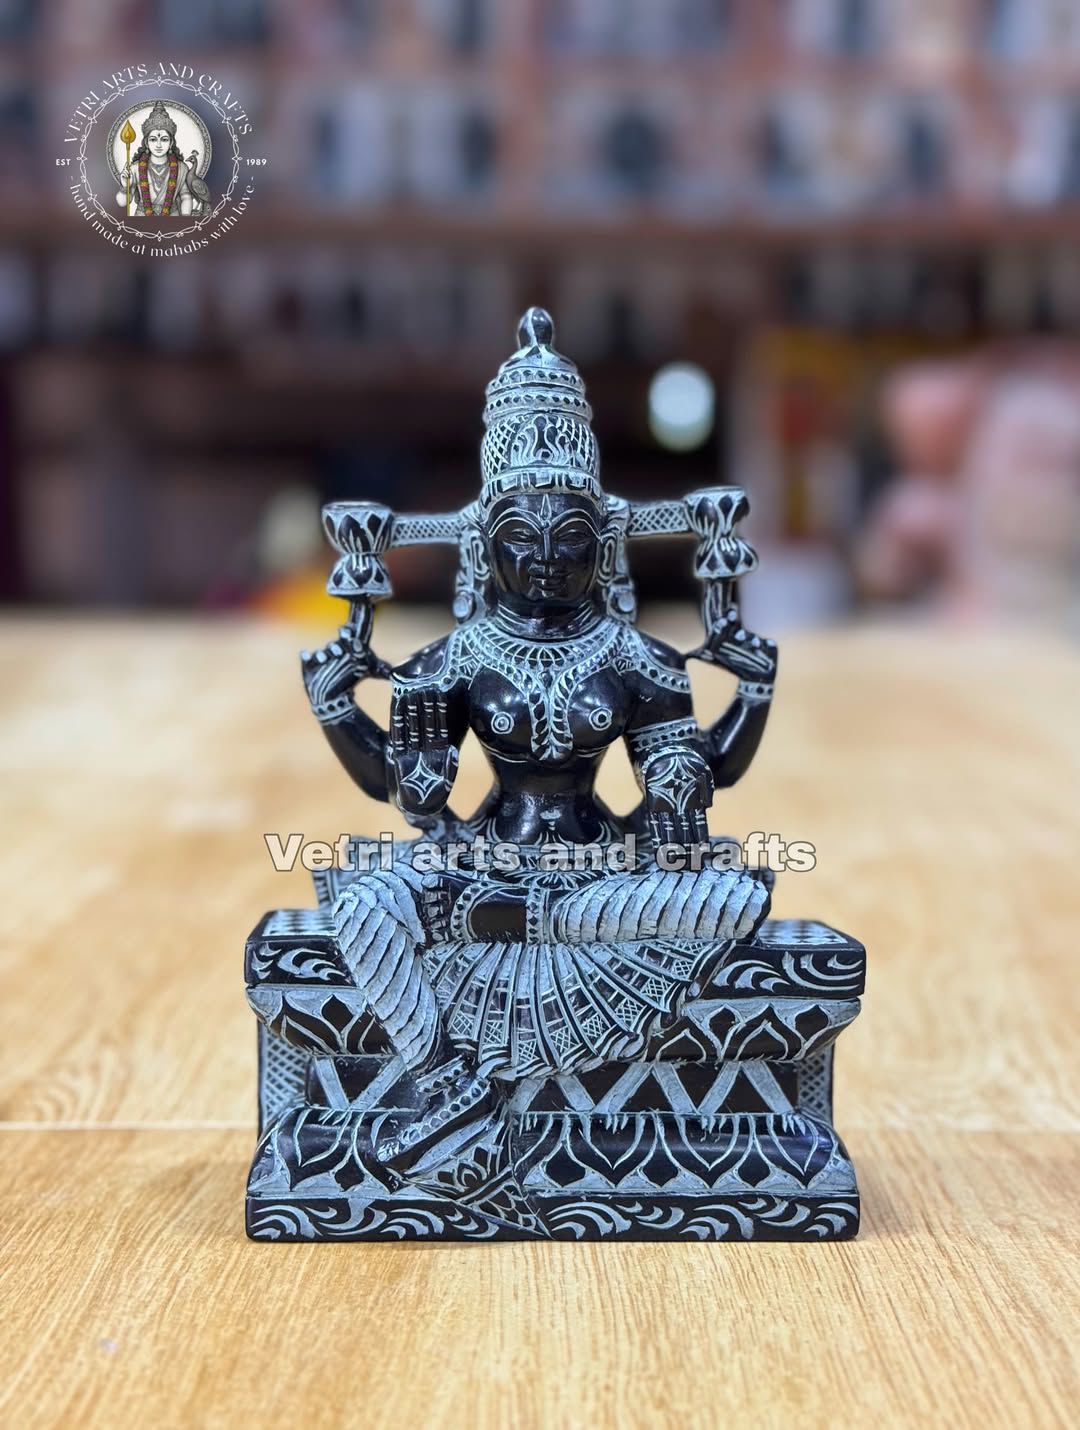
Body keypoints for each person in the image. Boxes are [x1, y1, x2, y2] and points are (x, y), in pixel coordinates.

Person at [301, 310, 778, 1177]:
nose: (549, 561)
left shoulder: (640, 661)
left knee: (734, 897)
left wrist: (751, 697)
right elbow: (403, 792)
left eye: (572, 543)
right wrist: (339, 711)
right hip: (485, 859)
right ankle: (446, 1083)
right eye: (523, 541)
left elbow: (697, 778)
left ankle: (524, 928)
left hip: (601, 874)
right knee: (362, 901)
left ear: (604, 548)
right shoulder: (452, 661)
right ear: (486, 548)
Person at [115, 101, 210, 217]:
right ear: (146, 143)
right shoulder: (135, 168)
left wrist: (184, 219)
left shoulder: (181, 168)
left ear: (171, 143)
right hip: (142, 217)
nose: (158, 145)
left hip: (172, 217)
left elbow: (185, 197)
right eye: (153, 139)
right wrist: (125, 187)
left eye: (164, 139)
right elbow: (122, 203)